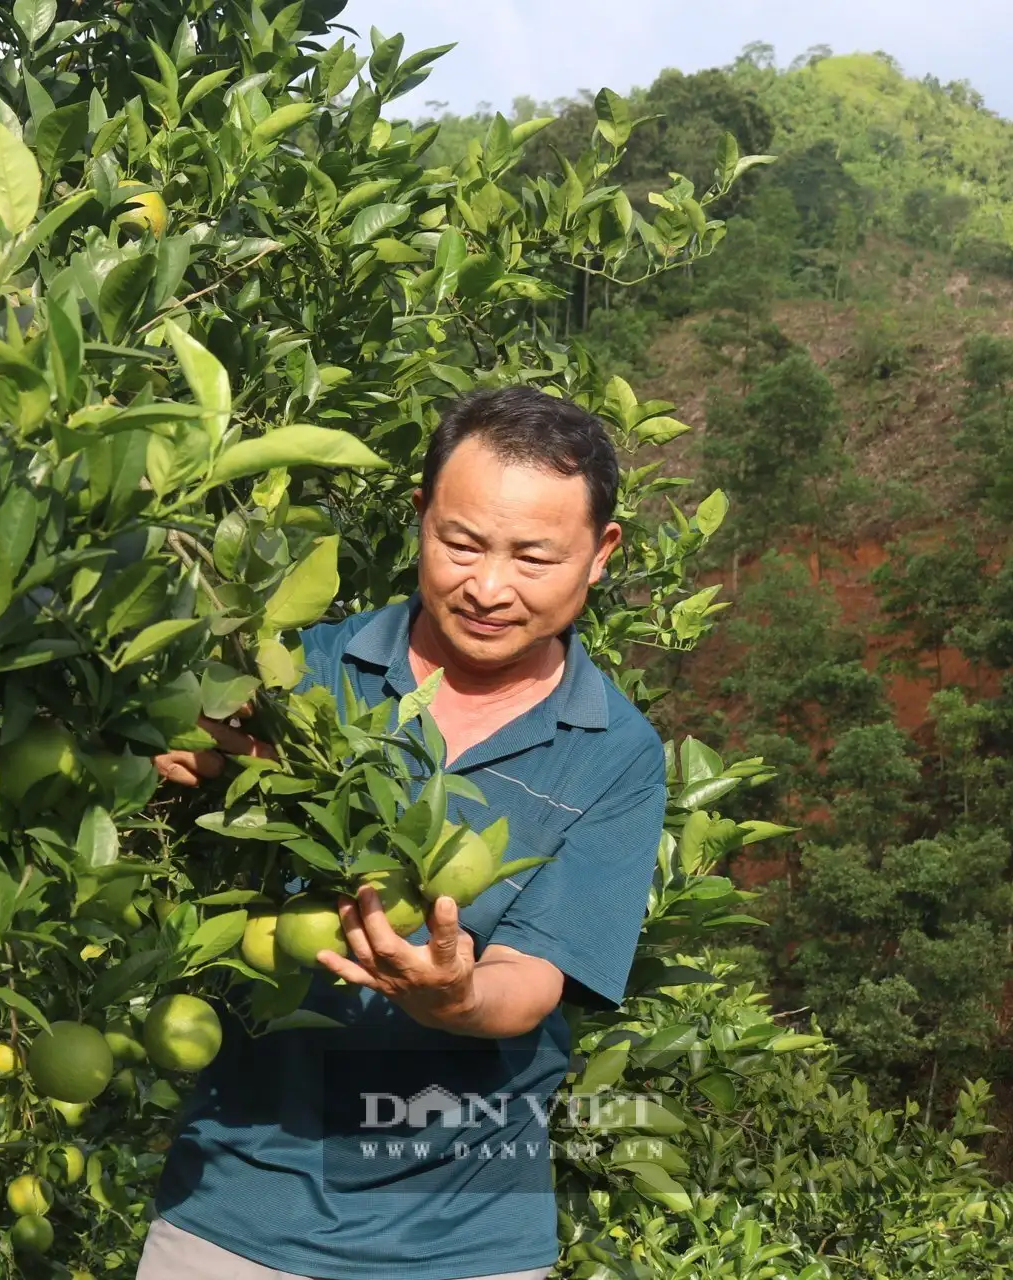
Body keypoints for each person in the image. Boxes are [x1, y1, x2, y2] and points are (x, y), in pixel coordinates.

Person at [140, 386, 670, 1280]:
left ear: (601, 553)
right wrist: (166, 761)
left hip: (465, 1244)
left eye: (533, 557)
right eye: (461, 544)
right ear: (421, 516)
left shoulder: (614, 752)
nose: (488, 588)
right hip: (233, 1215)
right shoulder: (300, 678)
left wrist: (455, 997)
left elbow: (530, 980)